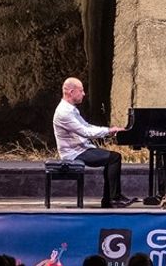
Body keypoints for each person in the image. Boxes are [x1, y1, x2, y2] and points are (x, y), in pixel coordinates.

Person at [52, 77, 132, 208]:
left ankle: (109, 200)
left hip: (82, 149)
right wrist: (109, 131)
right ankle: (113, 198)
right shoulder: (64, 113)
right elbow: (85, 132)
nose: (83, 94)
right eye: (81, 91)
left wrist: (109, 130)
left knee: (112, 158)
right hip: (74, 154)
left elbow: (87, 126)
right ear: (71, 92)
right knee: (114, 158)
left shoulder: (71, 109)